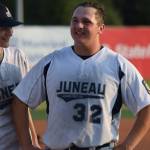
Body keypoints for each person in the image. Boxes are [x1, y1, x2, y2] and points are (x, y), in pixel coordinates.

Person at [11, 1, 150, 150]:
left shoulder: (118, 65)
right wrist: (26, 144)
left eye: (86, 22)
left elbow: (146, 105)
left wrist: (128, 146)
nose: (79, 26)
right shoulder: (52, 62)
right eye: (75, 20)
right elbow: (20, 99)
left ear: (100, 28)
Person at [0, 2, 40, 149]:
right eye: (4, 27)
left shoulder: (17, 57)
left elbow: (22, 106)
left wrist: (33, 141)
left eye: (10, 27)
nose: (10, 32)